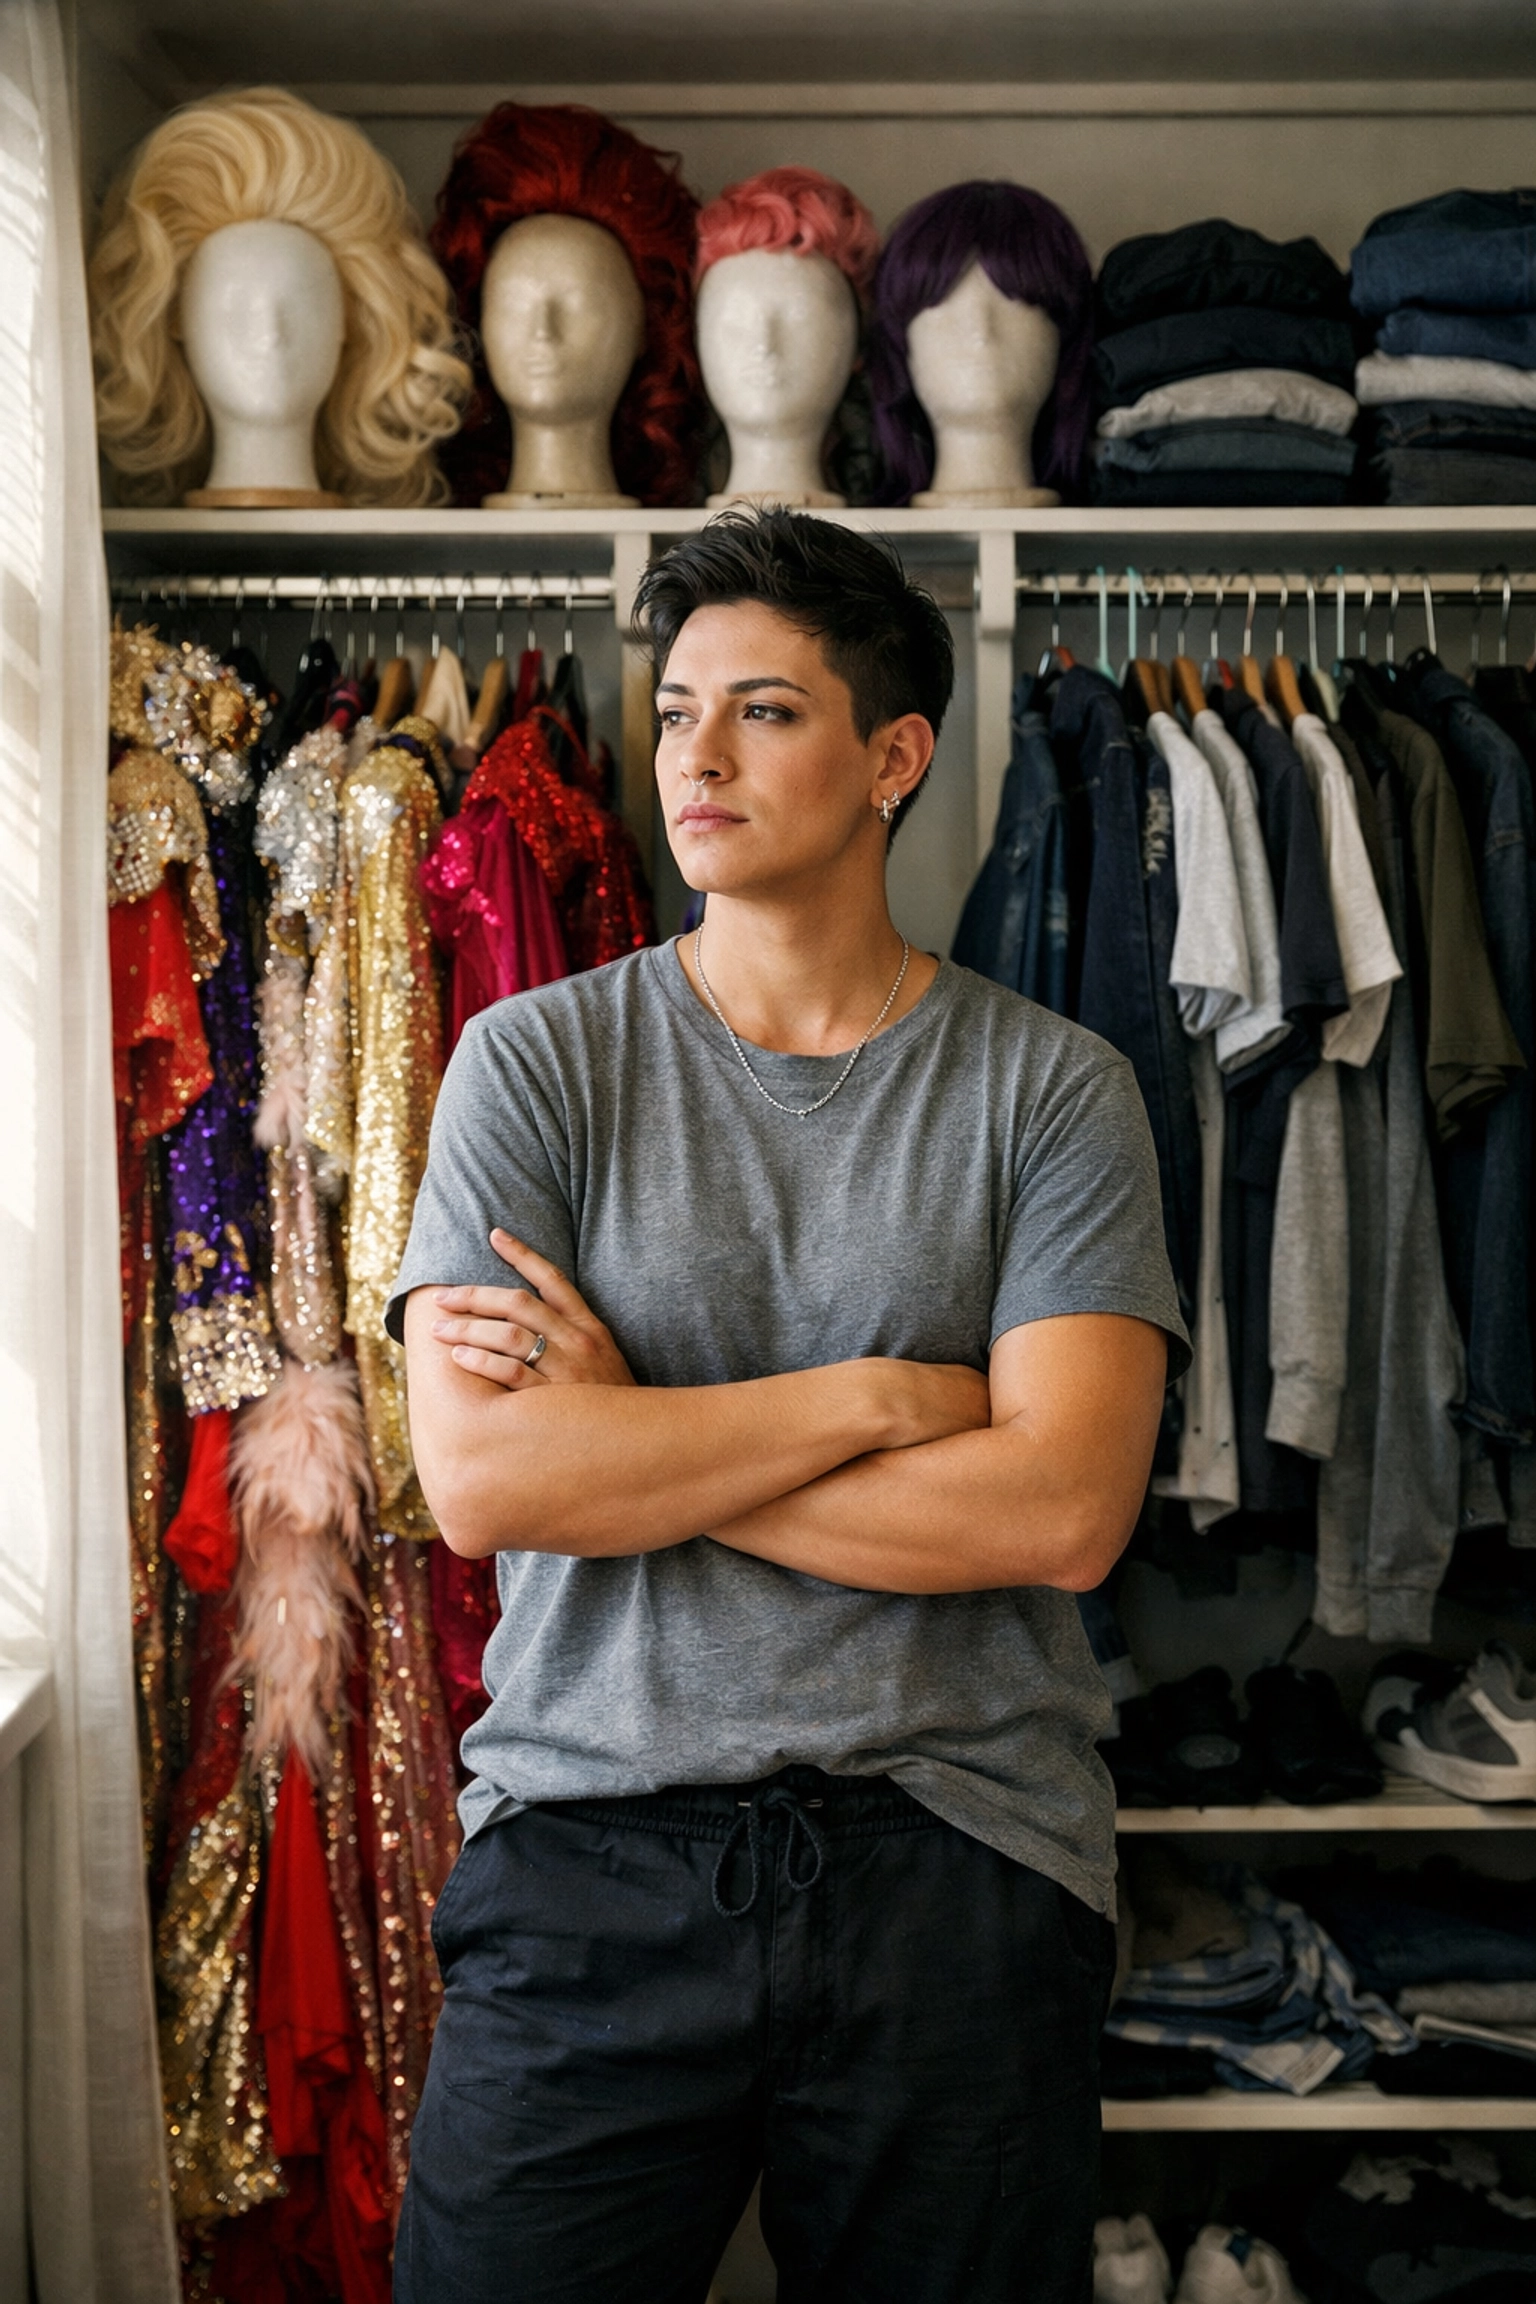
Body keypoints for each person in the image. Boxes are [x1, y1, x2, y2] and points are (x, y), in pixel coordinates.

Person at [389, 506, 1187, 2304]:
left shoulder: (1055, 1094)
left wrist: (646, 1440)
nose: (696, 756)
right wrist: (881, 1400)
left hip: (961, 1855)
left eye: (763, 711)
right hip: (589, 1848)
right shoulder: (537, 1060)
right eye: (676, 712)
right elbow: (489, 1478)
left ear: (896, 757)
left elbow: (1059, 1512)